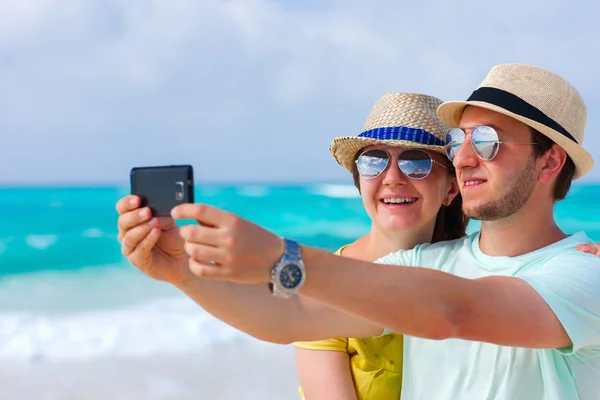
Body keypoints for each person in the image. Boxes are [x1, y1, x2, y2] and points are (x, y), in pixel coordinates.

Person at [117, 63, 600, 399]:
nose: (465, 157)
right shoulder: (423, 264)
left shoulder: (585, 273)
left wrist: (281, 256)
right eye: (458, 140)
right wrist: (184, 274)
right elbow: (288, 318)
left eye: (489, 142)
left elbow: (455, 311)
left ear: (550, 160)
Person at [293, 92, 468, 400]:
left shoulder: (477, 271)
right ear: (360, 181)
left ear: (451, 188)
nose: (392, 178)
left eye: (416, 163)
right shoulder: (325, 284)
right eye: (374, 162)